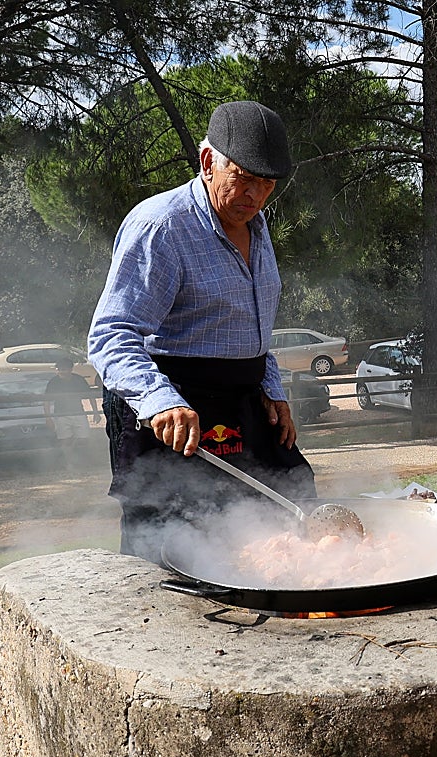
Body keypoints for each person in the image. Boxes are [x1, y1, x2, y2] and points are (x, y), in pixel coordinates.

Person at [88, 100, 316, 560]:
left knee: (288, 505)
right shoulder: (162, 226)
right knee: (176, 541)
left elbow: (249, 327)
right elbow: (111, 334)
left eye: (267, 183)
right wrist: (161, 402)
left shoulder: (255, 221)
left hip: (241, 397)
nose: (255, 195)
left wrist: (271, 388)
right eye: (244, 178)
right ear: (208, 162)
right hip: (174, 404)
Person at [43, 358, 99, 471]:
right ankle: (69, 463)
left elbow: (90, 396)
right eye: (59, 369)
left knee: (84, 439)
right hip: (61, 415)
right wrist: (48, 418)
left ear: (70, 369)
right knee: (65, 440)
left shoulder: (79, 380)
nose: (61, 372)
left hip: (79, 412)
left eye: (64, 369)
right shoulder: (53, 382)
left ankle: (82, 460)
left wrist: (95, 412)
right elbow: (46, 400)